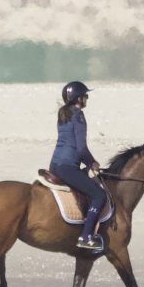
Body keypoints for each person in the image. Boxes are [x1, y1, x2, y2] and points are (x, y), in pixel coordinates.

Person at [47, 79, 110, 252]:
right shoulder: (78, 114)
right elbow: (81, 148)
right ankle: (86, 236)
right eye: (85, 96)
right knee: (99, 194)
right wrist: (92, 162)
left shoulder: (63, 113)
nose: (87, 99)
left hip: (55, 164)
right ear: (78, 98)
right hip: (68, 166)